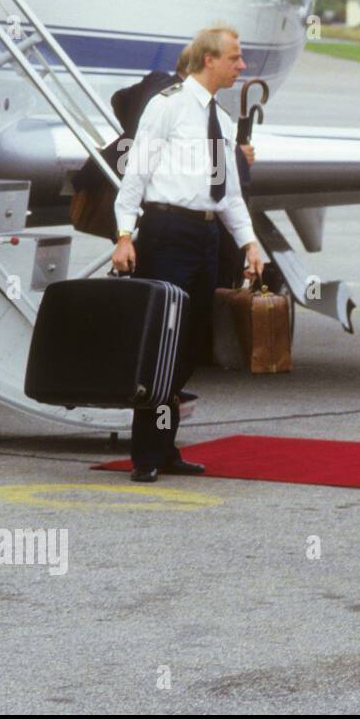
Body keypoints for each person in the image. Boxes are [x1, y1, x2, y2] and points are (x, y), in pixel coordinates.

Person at [111, 26, 265, 482]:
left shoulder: (218, 118)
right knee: (161, 342)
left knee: (191, 345)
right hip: (167, 231)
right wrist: (124, 234)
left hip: (205, 237)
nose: (242, 67)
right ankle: (146, 455)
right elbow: (135, 173)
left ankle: (165, 444)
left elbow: (229, 195)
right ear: (208, 60)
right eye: (235, 59)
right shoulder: (167, 107)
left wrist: (249, 242)